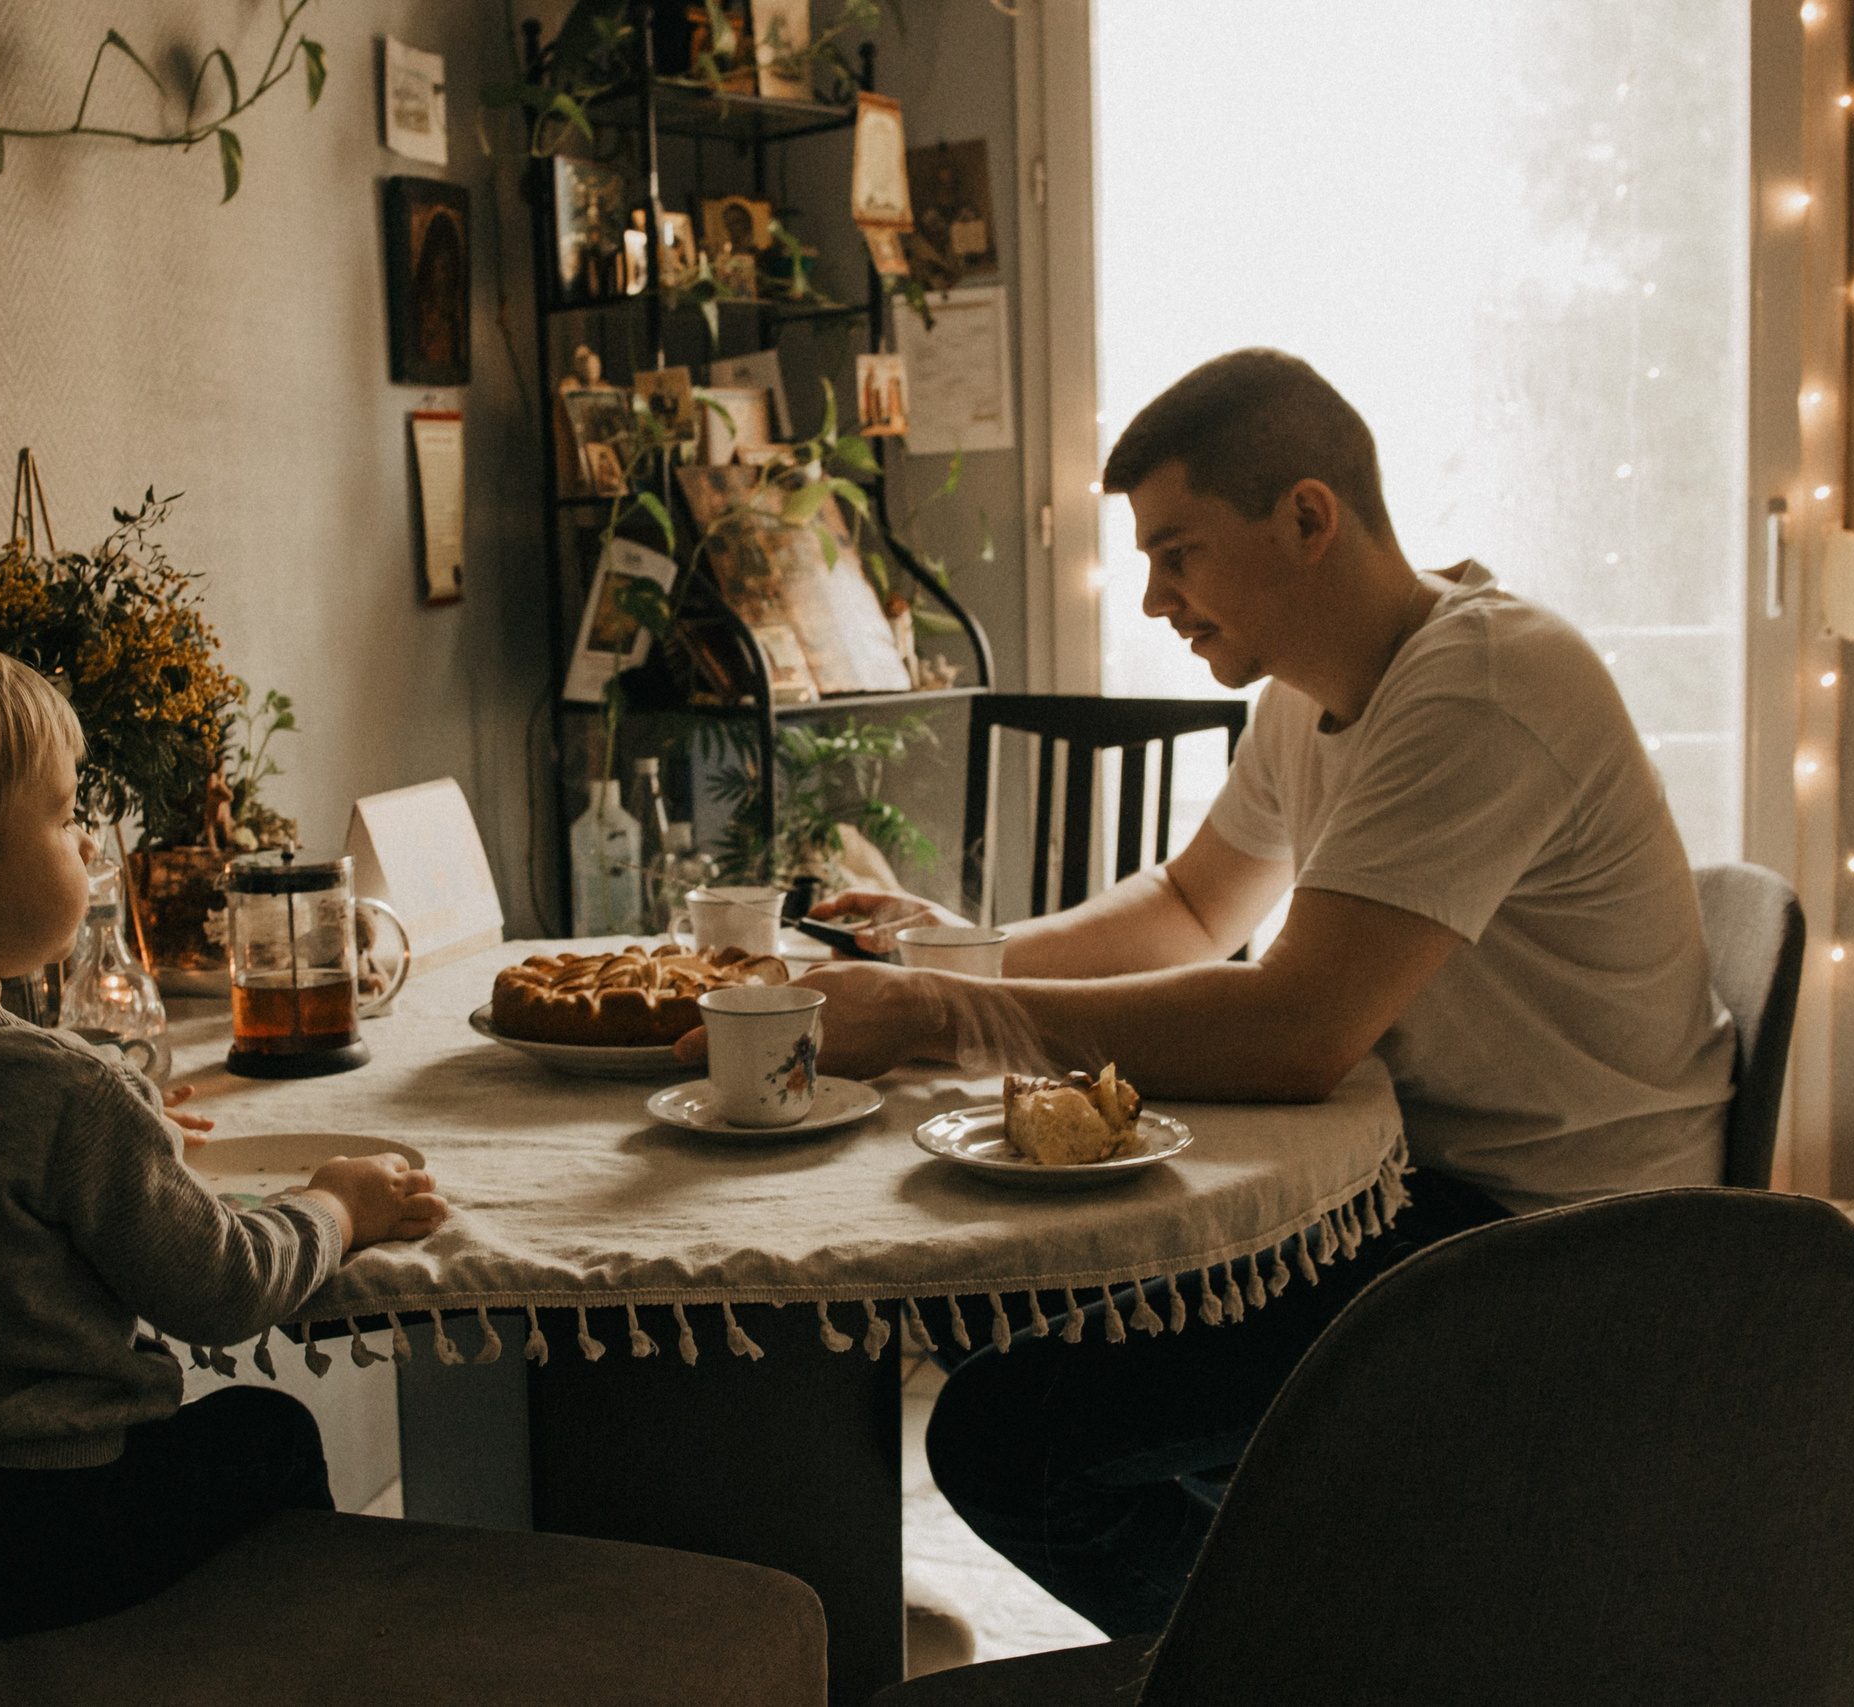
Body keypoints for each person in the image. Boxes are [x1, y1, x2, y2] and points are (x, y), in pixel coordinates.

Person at [682, 347, 1734, 1635]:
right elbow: (1193, 907)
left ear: (1306, 517)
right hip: (1418, 1175)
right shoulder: (1316, 692)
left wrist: (943, 1019)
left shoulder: (1485, 684)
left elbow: (1296, 1033)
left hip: (1554, 1236)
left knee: (1012, 1439)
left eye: (1175, 552)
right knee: (988, 1300)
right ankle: (1344, 1608)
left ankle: (1316, 1673)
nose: (1151, 600)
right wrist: (959, 955)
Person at [0, 622, 449, 1640]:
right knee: (268, 1429)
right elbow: (221, 1289)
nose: (85, 844)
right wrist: (337, 1202)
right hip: (34, 1530)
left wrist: (126, 1129)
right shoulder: (64, 1090)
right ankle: (285, 1657)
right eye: (67, 819)